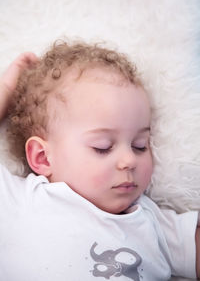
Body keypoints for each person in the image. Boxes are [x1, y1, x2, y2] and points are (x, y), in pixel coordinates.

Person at [0, 40, 199, 281]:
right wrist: (7, 87)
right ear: (42, 157)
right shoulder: (20, 201)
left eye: (140, 145)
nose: (129, 160)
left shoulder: (152, 222)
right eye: (103, 147)